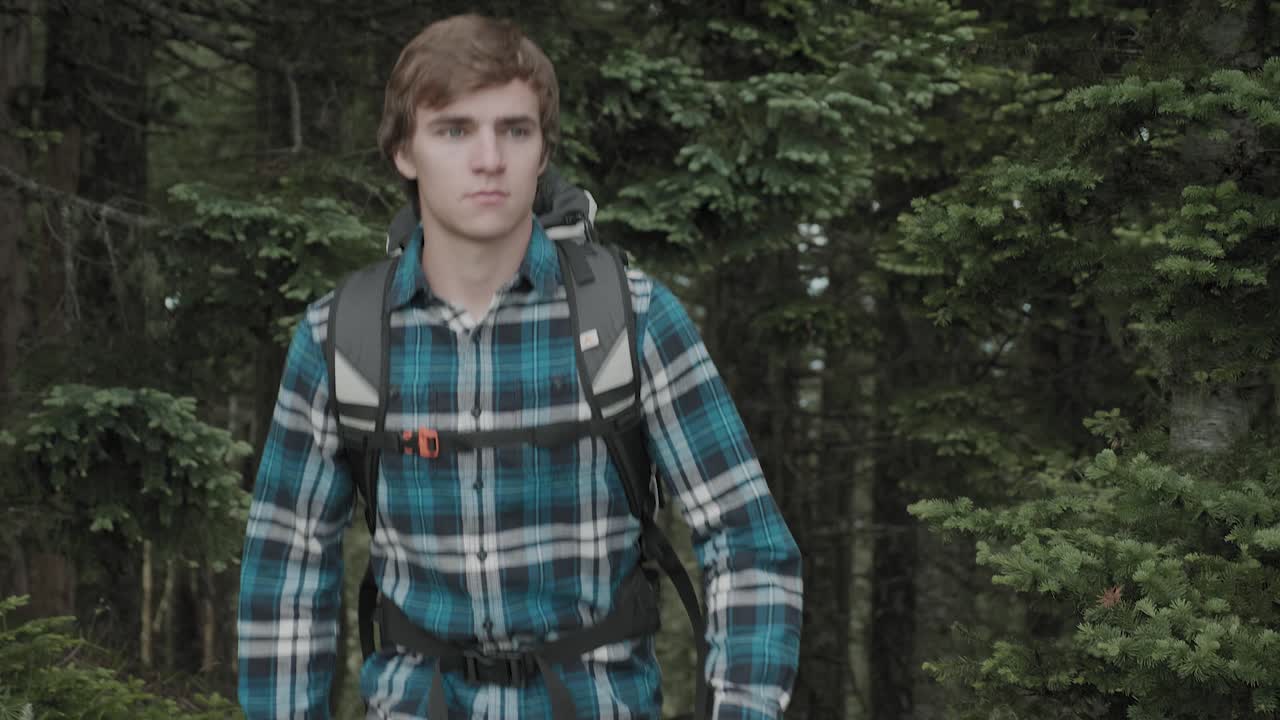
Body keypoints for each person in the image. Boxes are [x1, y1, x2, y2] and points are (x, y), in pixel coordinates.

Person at [237, 13, 802, 720]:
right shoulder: (339, 338)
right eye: (454, 130)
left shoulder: (631, 318)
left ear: (541, 151)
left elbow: (750, 547)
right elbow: (284, 577)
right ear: (404, 152)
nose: (489, 159)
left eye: (515, 130)